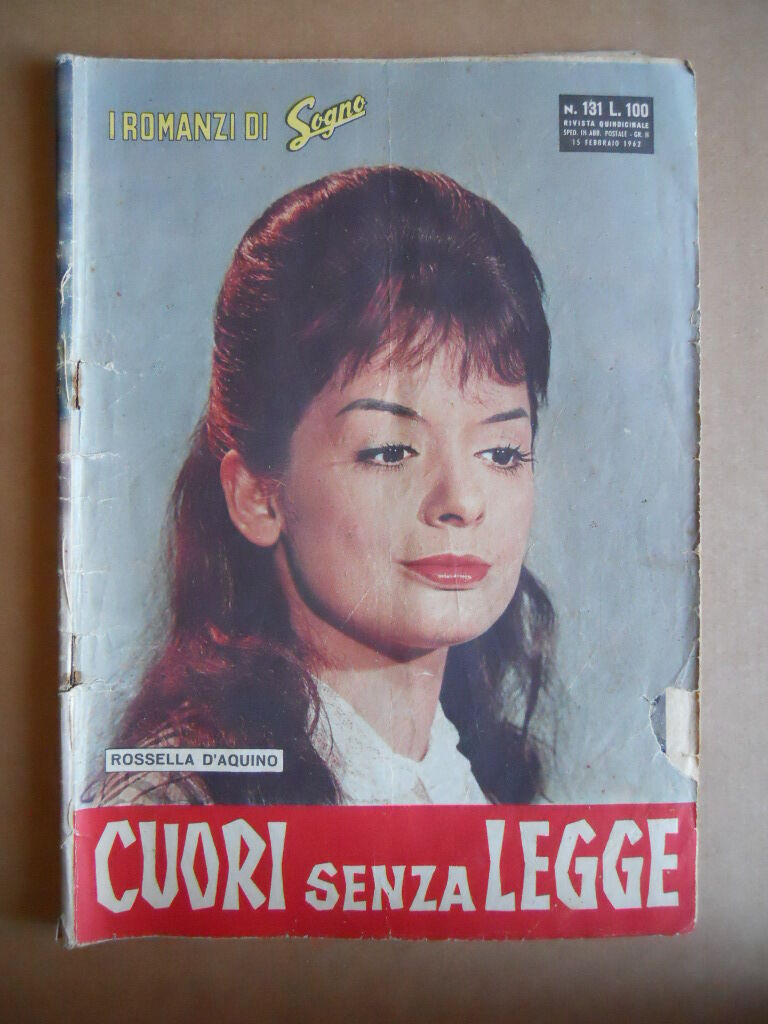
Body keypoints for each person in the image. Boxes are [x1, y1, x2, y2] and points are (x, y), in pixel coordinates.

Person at [94, 165, 555, 808]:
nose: (462, 500)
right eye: (391, 451)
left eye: (501, 453)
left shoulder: (499, 801)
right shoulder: (172, 808)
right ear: (259, 494)